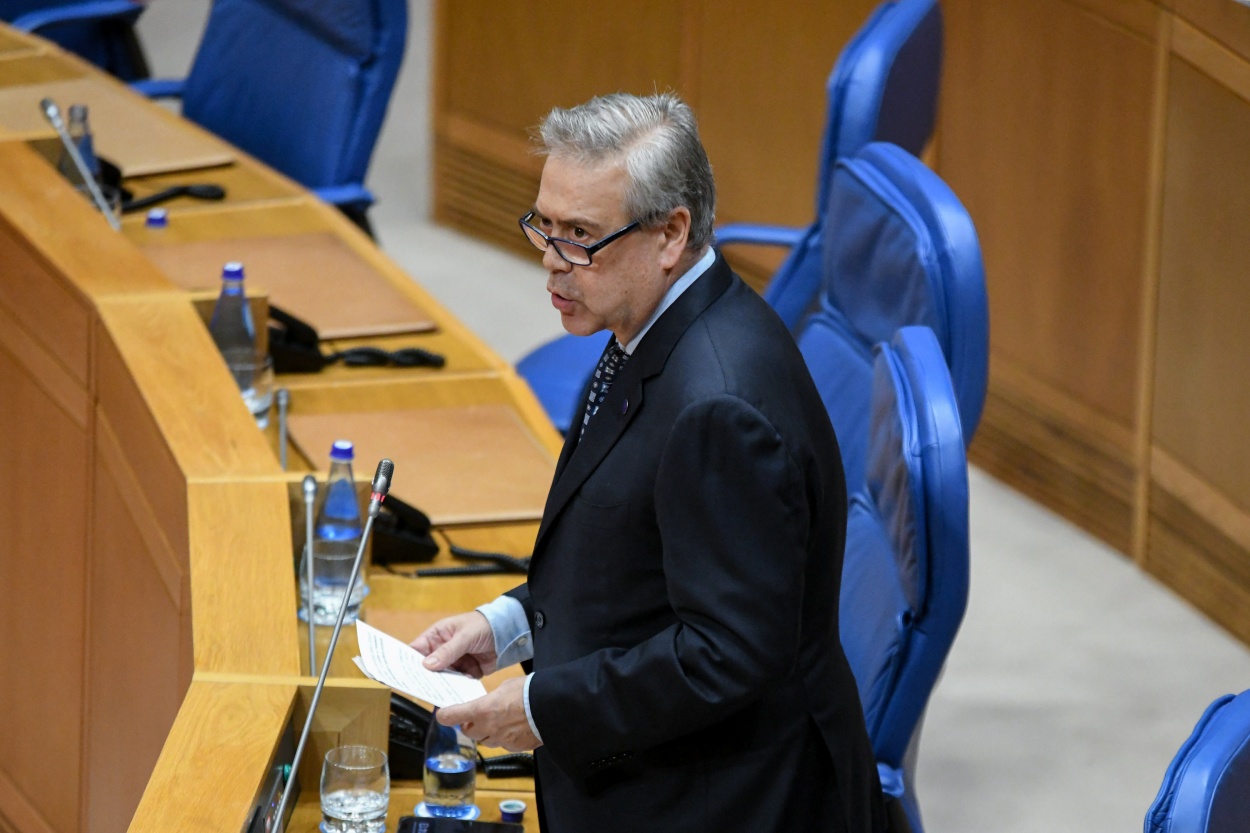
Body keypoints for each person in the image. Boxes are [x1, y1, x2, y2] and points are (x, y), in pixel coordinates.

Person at [413, 91, 883, 833]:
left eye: (580, 236)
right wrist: (506, 624)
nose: (550, 262)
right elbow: (631, 551)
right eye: (545, 225)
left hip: (725, 800)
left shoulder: (717, 407)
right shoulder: (652, 313)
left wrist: (540, 706)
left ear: (670, 234)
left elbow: (724, 654)